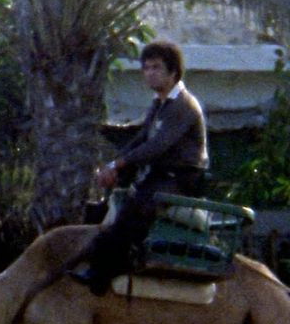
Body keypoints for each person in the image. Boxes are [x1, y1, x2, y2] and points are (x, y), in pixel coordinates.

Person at [69, 40, 208, 295]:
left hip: (181, 177)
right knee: (111, 203)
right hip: (159, 174)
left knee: (134, 210)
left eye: (156, 67)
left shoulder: (183, 105)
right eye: (146, 68)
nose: (149, 73)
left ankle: (103, 274)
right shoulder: (159, 103)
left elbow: (157, 146)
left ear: (173, 72)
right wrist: (113, 166)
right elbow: (141, 139)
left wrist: (120, 163)